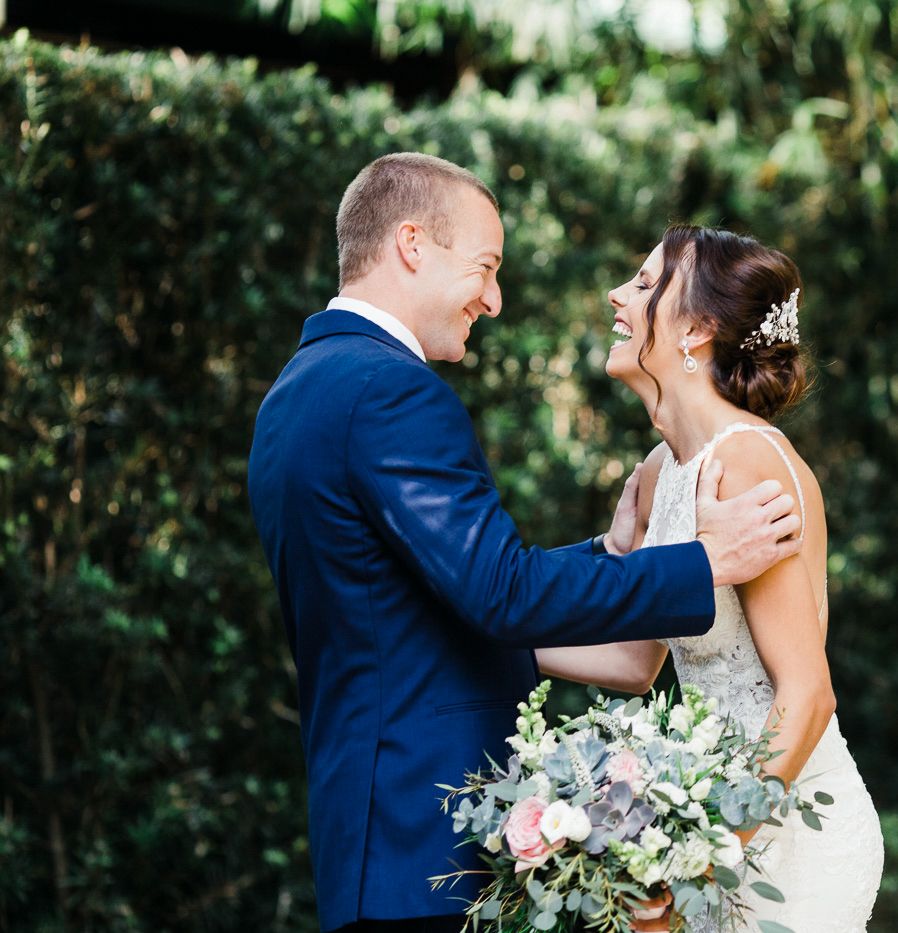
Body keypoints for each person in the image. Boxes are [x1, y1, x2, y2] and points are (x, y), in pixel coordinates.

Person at [247, 155, 803, 933]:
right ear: (412, 244)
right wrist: (707, 560)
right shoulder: (388, 390)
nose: (494, 298)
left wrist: (606, 552)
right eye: (485, 267)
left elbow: (424, 601)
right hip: (422, 843)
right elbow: (500, 594)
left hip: (377, 850)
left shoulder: (299, 389)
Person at [536, 225, 885, 932]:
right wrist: (492, 636)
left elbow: (808, 692)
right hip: (706, 815)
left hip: (787, 834)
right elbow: (636, 662)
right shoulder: (658, 473)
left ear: (696, 330)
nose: (617, 295)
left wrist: (706, 854)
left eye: (643, 283)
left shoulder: (748, 461)